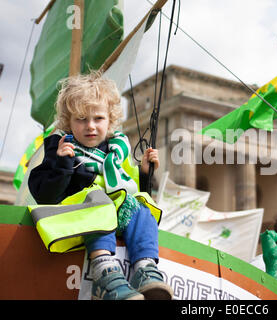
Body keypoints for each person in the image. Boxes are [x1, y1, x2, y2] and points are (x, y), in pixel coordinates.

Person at [28, 71, 173, 300]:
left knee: (141, 208)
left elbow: (132, 189)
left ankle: (145, 270)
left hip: (115, 214)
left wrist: (145, 173)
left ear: (110, 120)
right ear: (68, 122)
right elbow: (45, 194)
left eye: (98, 118)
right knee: (100, 201)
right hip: (80, 216)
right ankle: (105, 275)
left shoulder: (117, 152)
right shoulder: (60, 148)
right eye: (81, 119)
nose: (91, 126)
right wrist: (63, 164)